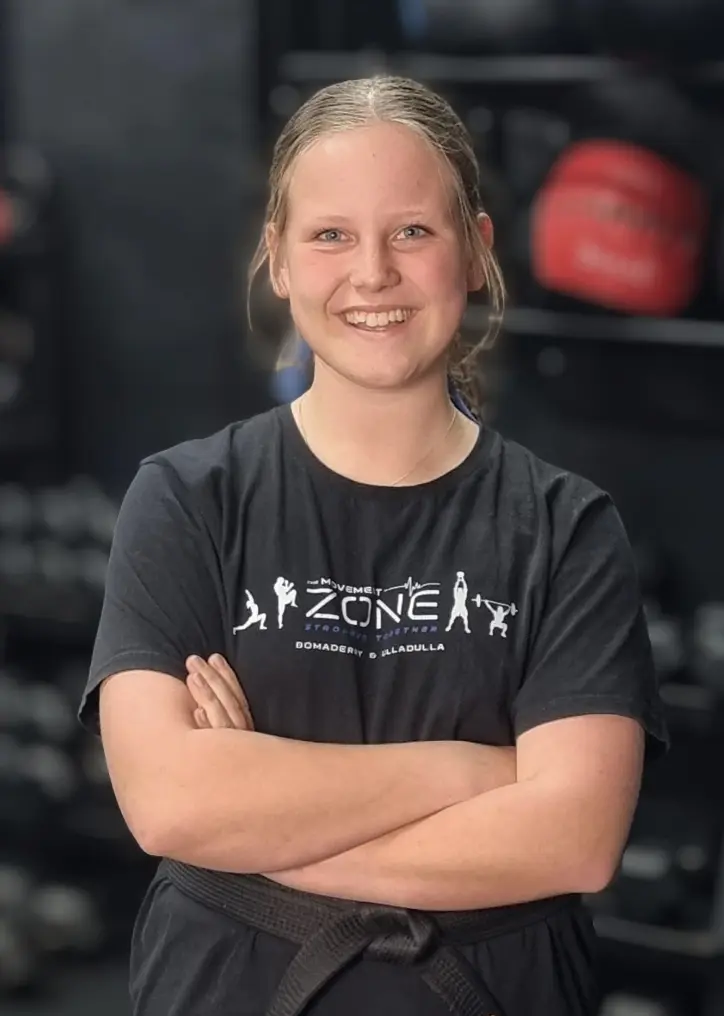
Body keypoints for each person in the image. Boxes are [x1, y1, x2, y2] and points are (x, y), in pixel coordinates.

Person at [78, 75, 668, 1016]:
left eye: (412, 232)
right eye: (330, 235)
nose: (373, 273)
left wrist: (264, 818)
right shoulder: (187, 499)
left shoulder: (567, 526)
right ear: (277, 258)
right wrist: (471, 771)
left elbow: (573, 840)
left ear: (474, 252)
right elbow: (171, 808)